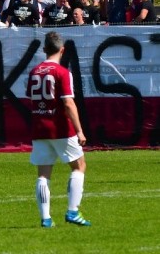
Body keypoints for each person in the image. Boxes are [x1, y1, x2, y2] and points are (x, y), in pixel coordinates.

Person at [27, 32, 91, 227]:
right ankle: (72, 211)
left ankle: (46, 219)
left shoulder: (35, 71)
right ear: (62, 50)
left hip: (39, 126)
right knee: (79, 166)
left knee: (43, 173)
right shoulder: (62, 72)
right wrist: (79, 130)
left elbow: (32, 98)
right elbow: (68, 103)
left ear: (44, 49)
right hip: (60, 127)